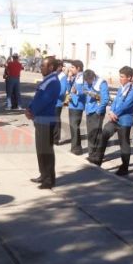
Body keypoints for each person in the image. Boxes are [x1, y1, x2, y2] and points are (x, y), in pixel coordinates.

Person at [96, 66, 133, 175]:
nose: (120, 79)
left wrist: (116, 113)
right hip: (115, 119)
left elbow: (127, 105)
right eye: (120, 76)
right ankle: (97, 160)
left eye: (122, 77)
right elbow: (115, 101)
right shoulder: (122, 87)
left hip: (124, 120)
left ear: (129, 77)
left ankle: (124, 168)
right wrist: (111, 111)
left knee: (124, 144)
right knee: (104, 134)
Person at [26, 56, 61, 189]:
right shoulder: (47, 80)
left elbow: (44, 100)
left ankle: (49, 179)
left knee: (46, 151)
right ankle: (43, 174)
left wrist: (32, 111)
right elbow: (37, 97)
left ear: (51, 67)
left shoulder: (53, 82)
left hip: (46, 120)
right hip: (39, 119)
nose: (40, 68)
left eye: (43, 66)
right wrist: (29, 108)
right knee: (40, 150)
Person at [83, 69, 109, 165]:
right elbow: (85, 89)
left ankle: (95, 156)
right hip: (89, 110)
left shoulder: (101, 83)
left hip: (97, 111)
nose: (87, 82)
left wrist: (99, 111)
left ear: (92, 77)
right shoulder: (87, 81)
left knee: (96, 134)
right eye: (85, 80)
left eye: (88, 80)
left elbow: (105, 99)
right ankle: (91, 154)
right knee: (90, 134)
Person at [67, 60, 86, 155]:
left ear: (78, 68)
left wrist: (76, 92)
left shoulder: (82, 77)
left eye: (73, 67)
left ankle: (77, 149)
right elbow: (69, 88)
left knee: (74, 126)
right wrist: (69, 79)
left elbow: (85, 90)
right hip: (72, 104)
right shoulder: (76, 77)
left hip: (78, 105)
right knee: (72, 126)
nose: (71, 69)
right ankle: (75, 147)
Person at [53, 60, 69, 145]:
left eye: (56, 66)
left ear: (60, 67)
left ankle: (55, 139)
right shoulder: (54, 75)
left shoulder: (63, 77)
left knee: (56, 120)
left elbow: (62, 91)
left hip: (57, 101)